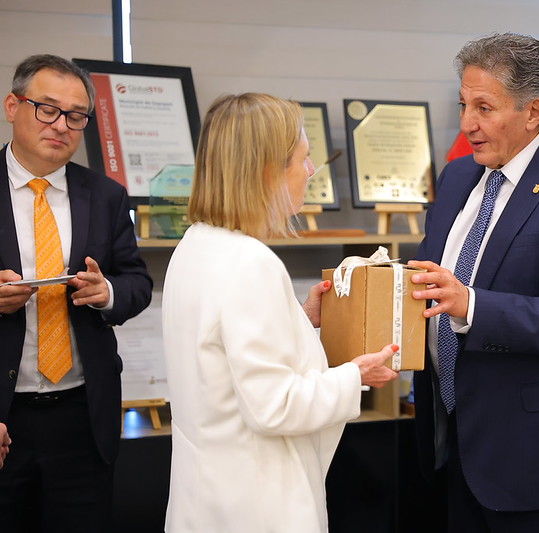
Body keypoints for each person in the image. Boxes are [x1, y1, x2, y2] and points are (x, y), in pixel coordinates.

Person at [408, 32, 539, 532]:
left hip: (533, 457)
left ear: (533, 111)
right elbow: (430, 277)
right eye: (464, 105)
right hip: (452, 440)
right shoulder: (458, 177)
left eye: (484, 108)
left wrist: (471, 305)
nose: (467, 124)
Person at [161, 92, 399, 532]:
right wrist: (355, 375)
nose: (310, 171)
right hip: (258, 504)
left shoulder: (195, 244)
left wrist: (297, 320)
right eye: (303, 159)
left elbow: (221, 355)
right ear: (268, 170)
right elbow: (274, 406)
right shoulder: (251, 262)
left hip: (207, 497)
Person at [0, 54, 153, 532]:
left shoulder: (106, 195)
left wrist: (107, 292)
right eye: (47, 109)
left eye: (76, 116)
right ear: (13, 106)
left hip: (83, 414)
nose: (61, 125)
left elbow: (137, 283)